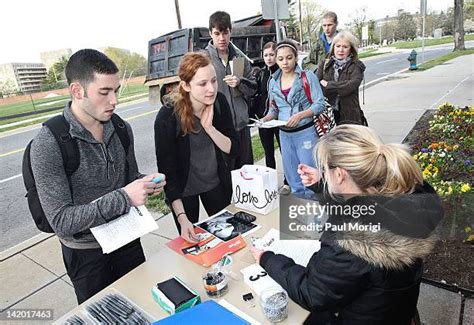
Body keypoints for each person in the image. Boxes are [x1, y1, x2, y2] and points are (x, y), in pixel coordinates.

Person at [251, 125, 444, 324]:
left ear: (341, 175)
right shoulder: (402, 191)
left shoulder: (351, 242)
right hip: (394, 309)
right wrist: (321, 184)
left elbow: (312, 293)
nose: (324, 173)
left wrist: (268, 259)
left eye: (326, 170)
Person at [30, 49, 165, 304]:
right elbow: (61, 219)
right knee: (103, 315)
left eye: (116, 90)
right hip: (86, 254)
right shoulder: (49, 144)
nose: (114, 100)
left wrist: (144, 182)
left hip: (126, 238)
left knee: (142, 306)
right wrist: (125, 197)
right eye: (104, 92)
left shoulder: (122, 128)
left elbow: (127, 178)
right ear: (77, 91)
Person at [154, 52, 239, 243]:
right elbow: (168, 172)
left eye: (214, 81)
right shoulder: (167, 117)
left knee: (229, 239)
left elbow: (233, 149)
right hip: (184, 193)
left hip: (216, 184)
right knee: (192, 244)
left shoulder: (219, 103)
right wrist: (181, 218)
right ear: (185, 85)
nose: (211, 89)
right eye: (202, 84)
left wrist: (210, 129)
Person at [260, 39, 325, 198]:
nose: (285, 62)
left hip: (306, 133)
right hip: (285, 136)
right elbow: (274, 108)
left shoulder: (307, 76)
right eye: (280, 59)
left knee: (309, 179)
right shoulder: (273, 81)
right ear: (276, 59)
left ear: (296, 57)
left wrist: (301, 115)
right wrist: (266, 119)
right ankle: (300, 217)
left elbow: (319, 104)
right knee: (293, 180)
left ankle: (316, 218)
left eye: (289, 58)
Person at [205, 11, 257, 170]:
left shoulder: (239, 57)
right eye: (217, 33)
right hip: (219, 128)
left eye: (225, 33)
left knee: (246, 172)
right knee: (225, 176)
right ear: (210, 33)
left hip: (241, 127)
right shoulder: (203, 58)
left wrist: (240, 82)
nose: (221, 38)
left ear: (230, 32)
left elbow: (253, 88)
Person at [250, 41, 290, 194]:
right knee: (268, 152)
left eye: (272, 55)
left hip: (279, 119)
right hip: (264, 119)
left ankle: (287, 181)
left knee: (284, 150)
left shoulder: (282, 73)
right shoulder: (261, 73)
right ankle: (271, 183)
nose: (269, 58)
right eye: (265, 55)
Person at [317, 30, 367, 125]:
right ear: (333, 47)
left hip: (350, 115)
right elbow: (316, 86)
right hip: (328, 115)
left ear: (351, 49)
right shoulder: (325, 64)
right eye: (338, 46)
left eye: (345, 47)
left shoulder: (356, 66)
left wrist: (329, 85)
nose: (341, 50)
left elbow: (350, 86)